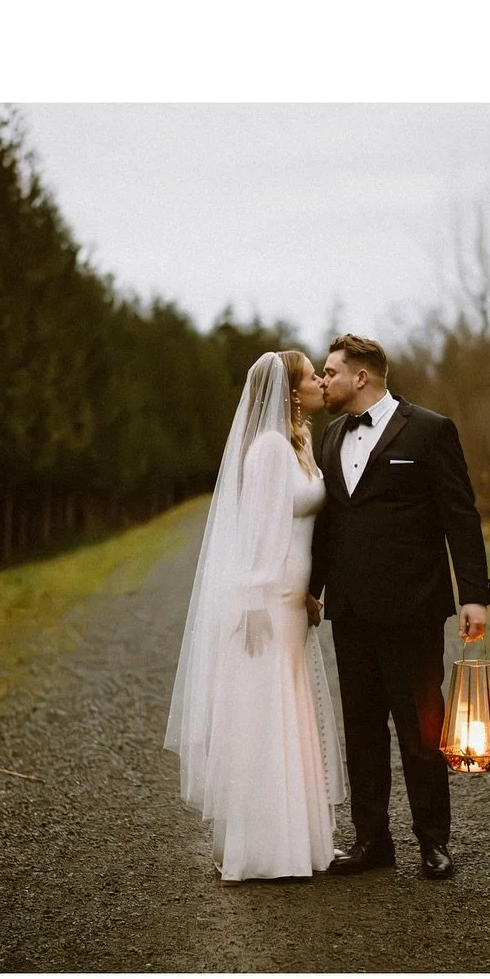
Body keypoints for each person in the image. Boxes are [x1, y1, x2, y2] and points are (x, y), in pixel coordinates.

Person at [310, 333, 490, 880]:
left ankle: (433, 841)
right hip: (351, 612)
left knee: (421, 732)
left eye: (331, 372)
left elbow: (460, 515)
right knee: (362, 730)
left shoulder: (430, 430)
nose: (323, 381)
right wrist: (313, 589)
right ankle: (372, 841)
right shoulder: (331, 435)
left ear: (361, 376)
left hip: (412, 609)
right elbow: (328, 526)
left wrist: (475, 595)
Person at [165, 351, 347, 881]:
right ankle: (266, 846)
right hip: (266, 598)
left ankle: (299, 840)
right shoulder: (268, 449)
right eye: (311, 376)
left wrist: (309, 594)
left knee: (289, 705)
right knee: (266, 709)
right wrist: (249, 602)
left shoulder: (299, 442)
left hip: (293, 598)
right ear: (290, 391)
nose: (320, 382)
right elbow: (253, 534)